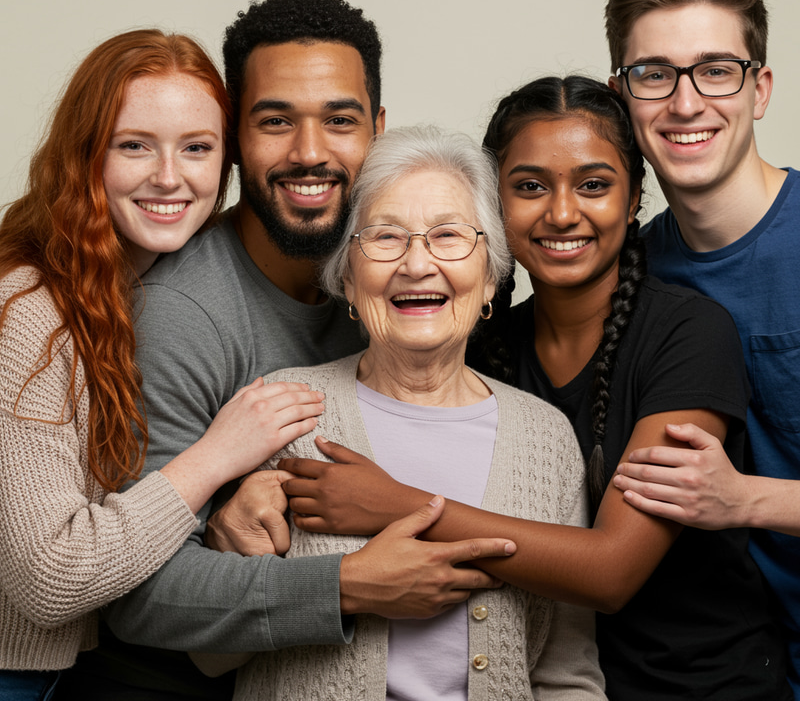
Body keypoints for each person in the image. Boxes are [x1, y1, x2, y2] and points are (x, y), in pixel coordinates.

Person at [236, 77, 790, 699]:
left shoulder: (678, 336)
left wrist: (397, 503)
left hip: (704, 681)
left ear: (635, 196)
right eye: (529, 186)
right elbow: (210, 631)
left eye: (593, 184)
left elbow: (603, 581)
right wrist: (228, 520)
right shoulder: (483, 352)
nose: (560, 212)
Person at [72, 0, 514, 701]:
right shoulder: (184, 314)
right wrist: (347, 587)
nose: (309, 153)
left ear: (377, 128)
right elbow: (139, 596)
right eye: (275, 121)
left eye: (339, 121)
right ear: (236, 138)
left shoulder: (400, 285)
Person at [205, 124, 605, 700]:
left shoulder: (546, 438)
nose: (417, 265)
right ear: (346, 274)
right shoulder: (282, 412)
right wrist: (228, 544)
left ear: (491, 274)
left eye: (447, 236)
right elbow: (210, 659)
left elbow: (567, 674)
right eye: (386, 237)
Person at [0, 30, 328, 701]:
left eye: (197, 148)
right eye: (134, 145)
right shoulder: (28, 309)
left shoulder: (131, 295)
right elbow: (50, 577)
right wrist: (216, 457)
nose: (170, 176)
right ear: (85, 155)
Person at [602, 0, 800, 696]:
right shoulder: (630, 277)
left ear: (760, 89)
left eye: (716, 70)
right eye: (654, 74)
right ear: (623, 94)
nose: (685, 103)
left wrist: (746, 499)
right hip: (735, 668)